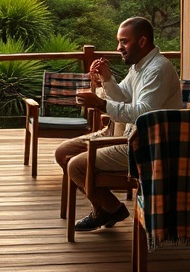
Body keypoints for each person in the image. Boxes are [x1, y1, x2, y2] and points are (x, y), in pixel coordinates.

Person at [55, 16, 181, 232]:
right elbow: (122, 96)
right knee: (63, 152)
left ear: (142, 41)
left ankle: (106, 209)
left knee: (76, 165)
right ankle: (110, 208)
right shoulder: (139, 67)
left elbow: (144, 113)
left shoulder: (158, 69)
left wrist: (101, 104)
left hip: (146, 145)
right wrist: (107, 79)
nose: (119, 47)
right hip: (128, 135)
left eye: (124, 41)